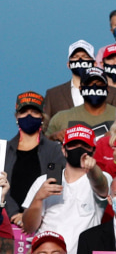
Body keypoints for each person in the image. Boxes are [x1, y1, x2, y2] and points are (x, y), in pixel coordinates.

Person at [21, 125, 111, 254]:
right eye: (73, 144)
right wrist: (38, 198)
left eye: (85, 145)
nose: (79, 148)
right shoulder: (43, 182)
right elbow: (29, 227)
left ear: (93, 150)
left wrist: (93, 169)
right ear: (64, 150)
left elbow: (102, 187)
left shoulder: (101, 177)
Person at [6, 91, 66, 222]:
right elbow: (1, 188)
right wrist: (14, 214)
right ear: (17, 116)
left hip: (43, 221)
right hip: (9, 224)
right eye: (24, 112)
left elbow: (54, 186)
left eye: (34, 112)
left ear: (42, 117)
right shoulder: (4, 151)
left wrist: (29, 215)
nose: (29, 116)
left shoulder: (55, 150)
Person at [44, 41, 116, 122]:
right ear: (68, 64)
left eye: (85, 56)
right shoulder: (53, 94)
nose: (80, 60)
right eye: (75, 56)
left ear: (95, 63)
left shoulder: (113, 93)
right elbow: (46, 127)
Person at [46, 66, 115, 140]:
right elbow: (41, 145)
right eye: (89, 84)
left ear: (107, 89)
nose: (94, 88)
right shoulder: (60, 118)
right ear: (80, 88)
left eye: (100, 85)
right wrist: (54, 137)